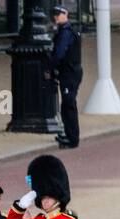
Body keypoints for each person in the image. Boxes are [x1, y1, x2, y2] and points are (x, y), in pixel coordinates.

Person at [6, 156, 85, 219]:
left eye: (49, 197)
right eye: (42, 197)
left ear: (57, 197)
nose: (45, 201)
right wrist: (20, 206)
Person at [49, 6, 83, 149]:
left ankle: (72, 138)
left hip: (69, 73)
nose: (56, 17)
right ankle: (69, 134)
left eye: (59, 14)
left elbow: (59, 54)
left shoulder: (66, 33)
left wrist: (51, 67)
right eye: (55, 15)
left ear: (65, 15)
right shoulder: (67, 32)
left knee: (68, 105)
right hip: (70, 72)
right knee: (67, 105)